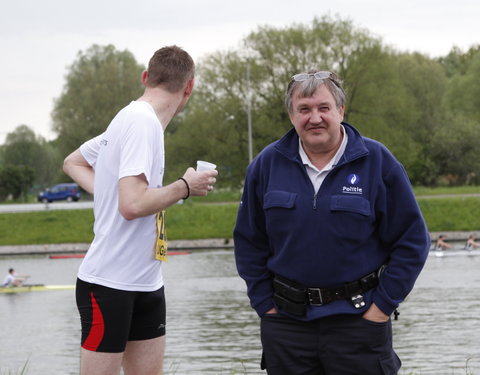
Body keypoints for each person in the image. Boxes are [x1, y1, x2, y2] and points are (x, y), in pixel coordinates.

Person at [233, 70, 430, 374]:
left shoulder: (377, 162)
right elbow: (249, 243)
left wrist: (381, 308)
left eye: (324, 108)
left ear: (340, 110)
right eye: (304, 109)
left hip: (359, 322)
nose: (315, 118)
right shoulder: (266, 165)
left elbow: (412, 242)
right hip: (287, 325)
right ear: (291, 115)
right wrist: (266, 307)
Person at [63, 45, 218, 375]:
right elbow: (132, 204)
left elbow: (73, 162)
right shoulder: (140, 122)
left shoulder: (136, 122)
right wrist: (185, 187)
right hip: (108, 284)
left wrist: (110, 190)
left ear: (146, 77)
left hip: (147, 283)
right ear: (189, 87)